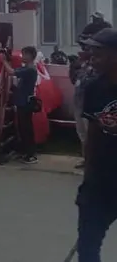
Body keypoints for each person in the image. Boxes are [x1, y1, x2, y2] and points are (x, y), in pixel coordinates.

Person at [74, 28, 117, 261]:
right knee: (88, 246)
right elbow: (92, 134)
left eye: (99, 53)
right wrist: (88, 175)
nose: (92, 58)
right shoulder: (94, 89)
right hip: (100, 182)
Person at [1, 45, 39, 164]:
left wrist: (3, 61)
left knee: (26, 129)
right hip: (22, 101)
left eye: (25, 54)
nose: (23, 56)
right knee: (23, 128)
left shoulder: (30, 69)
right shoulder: (27, 68)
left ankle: (30, 154)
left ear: (30, 56)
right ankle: (25, 152)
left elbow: (11, 72)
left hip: (26, 103)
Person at [71, 45, 95, 170]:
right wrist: (75, 65)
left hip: (89, 105)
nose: (82, 51)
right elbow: (74, 79)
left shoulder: (95, 66)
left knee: (91, 135)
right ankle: (85, 159)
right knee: (82, 134)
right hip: (78, 103)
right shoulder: (81, 65)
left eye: (86, 49)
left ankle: (93, 161)